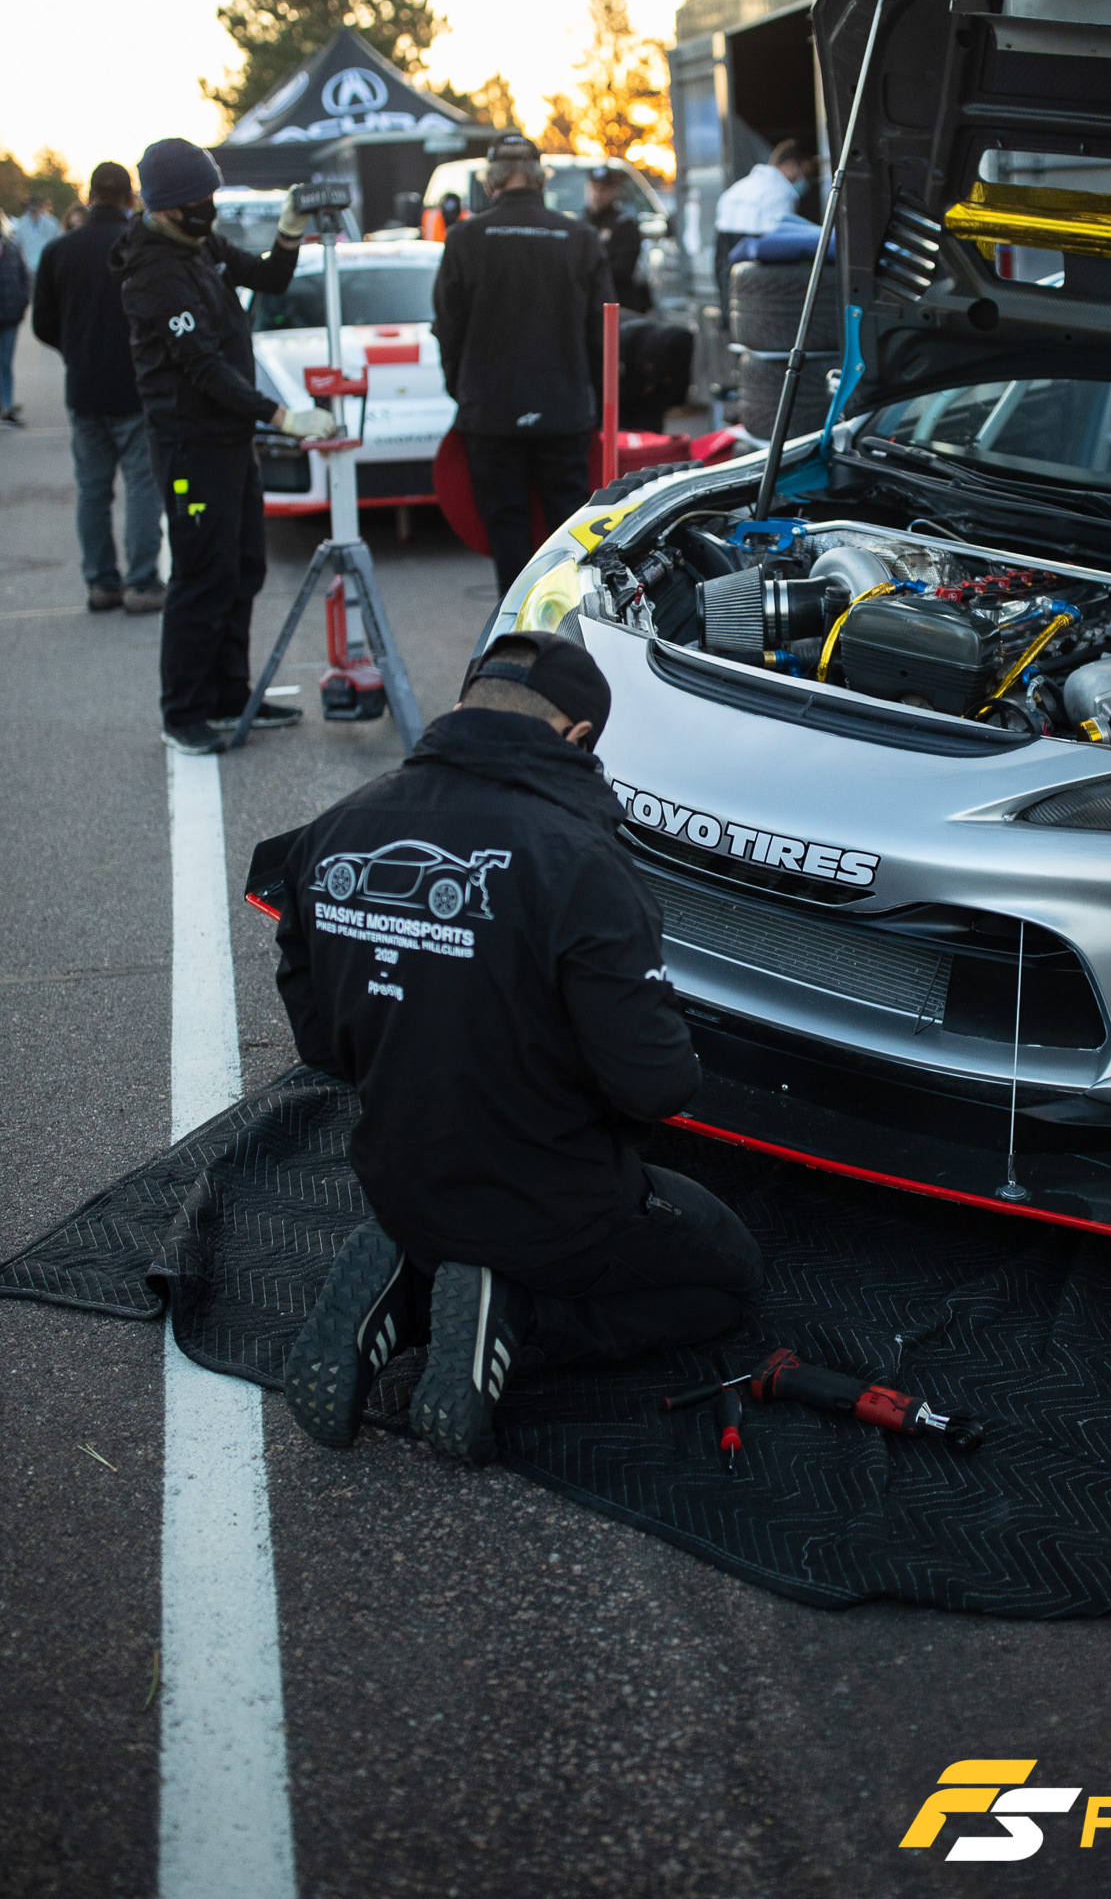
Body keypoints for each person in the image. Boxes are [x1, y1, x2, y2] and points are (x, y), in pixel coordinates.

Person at [276, 630, 762, 1463]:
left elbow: (321, 1043)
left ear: (465, 707)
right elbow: (654, 1085)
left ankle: (408, 1279)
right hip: (556, 1212)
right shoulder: (580, 865)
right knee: (729, 1278)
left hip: (401, 1181)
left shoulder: (331, 834)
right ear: (577, 740)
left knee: (448, 1219)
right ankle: (517, 1317)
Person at [112, 138, 335, 755]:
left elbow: (270, 277)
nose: (207, 209)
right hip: (190, 446)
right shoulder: (154, 273)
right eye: (195, 202)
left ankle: (230, 695)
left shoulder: (200, 243)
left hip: (230, 440)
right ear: (162, 209)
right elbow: (203, 371)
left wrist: (289, 232)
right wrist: (282, 416)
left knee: (243, 567)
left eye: (209, 196)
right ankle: (183, 711)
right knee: (201, 575)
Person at [433, 133, 615, 599]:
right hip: (564, 410)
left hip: (490, 412)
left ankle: (516, 636)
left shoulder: (465, 238)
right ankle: (573, 630)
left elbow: (447, 328)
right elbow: (604, 335)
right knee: (568, 535)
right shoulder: (578, 238)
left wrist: (463, 390)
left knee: (507, 532)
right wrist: (594, 399)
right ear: (541, 178)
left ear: (490, 181)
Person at [31, 162, 165, 613]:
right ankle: (143, 584)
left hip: (85, 387)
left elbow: (44, 323)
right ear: (130, 199)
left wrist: (75, 349)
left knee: (92, 491)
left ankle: (102, 583)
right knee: (143, 485)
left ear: (89, 197)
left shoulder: (59, 251)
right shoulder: (141, 247)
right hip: (135, 383)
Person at [711, 136, 818, 333]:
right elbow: (782, 248)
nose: (806, 179)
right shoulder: (780, 193)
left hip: (729, 286)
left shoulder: (737, 189)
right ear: (791, 165)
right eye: (805, 171)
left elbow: (720, 258)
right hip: (760, 296)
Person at [581, 165, 649, 313]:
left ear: (614, 191)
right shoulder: (580, 224)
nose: (597, 194)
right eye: (594, 187)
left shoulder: (624, 225)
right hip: (586, 304)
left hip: (617, 303)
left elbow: (621, 270)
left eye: (603, 189)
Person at [0, 225, 28, 426]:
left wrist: (21, 303)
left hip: (10, 315)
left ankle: (7, 405)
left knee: (5, 362)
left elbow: (23, 277)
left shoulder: (12, 249)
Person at [11, 192, 62, 279]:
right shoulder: (21, 224)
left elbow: (57, 243)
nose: (33, 209)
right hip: (28, 268)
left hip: (47, 267)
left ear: (40, 207)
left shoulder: (52, 223)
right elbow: (17, 245)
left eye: (36, 206)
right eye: (31, 206)